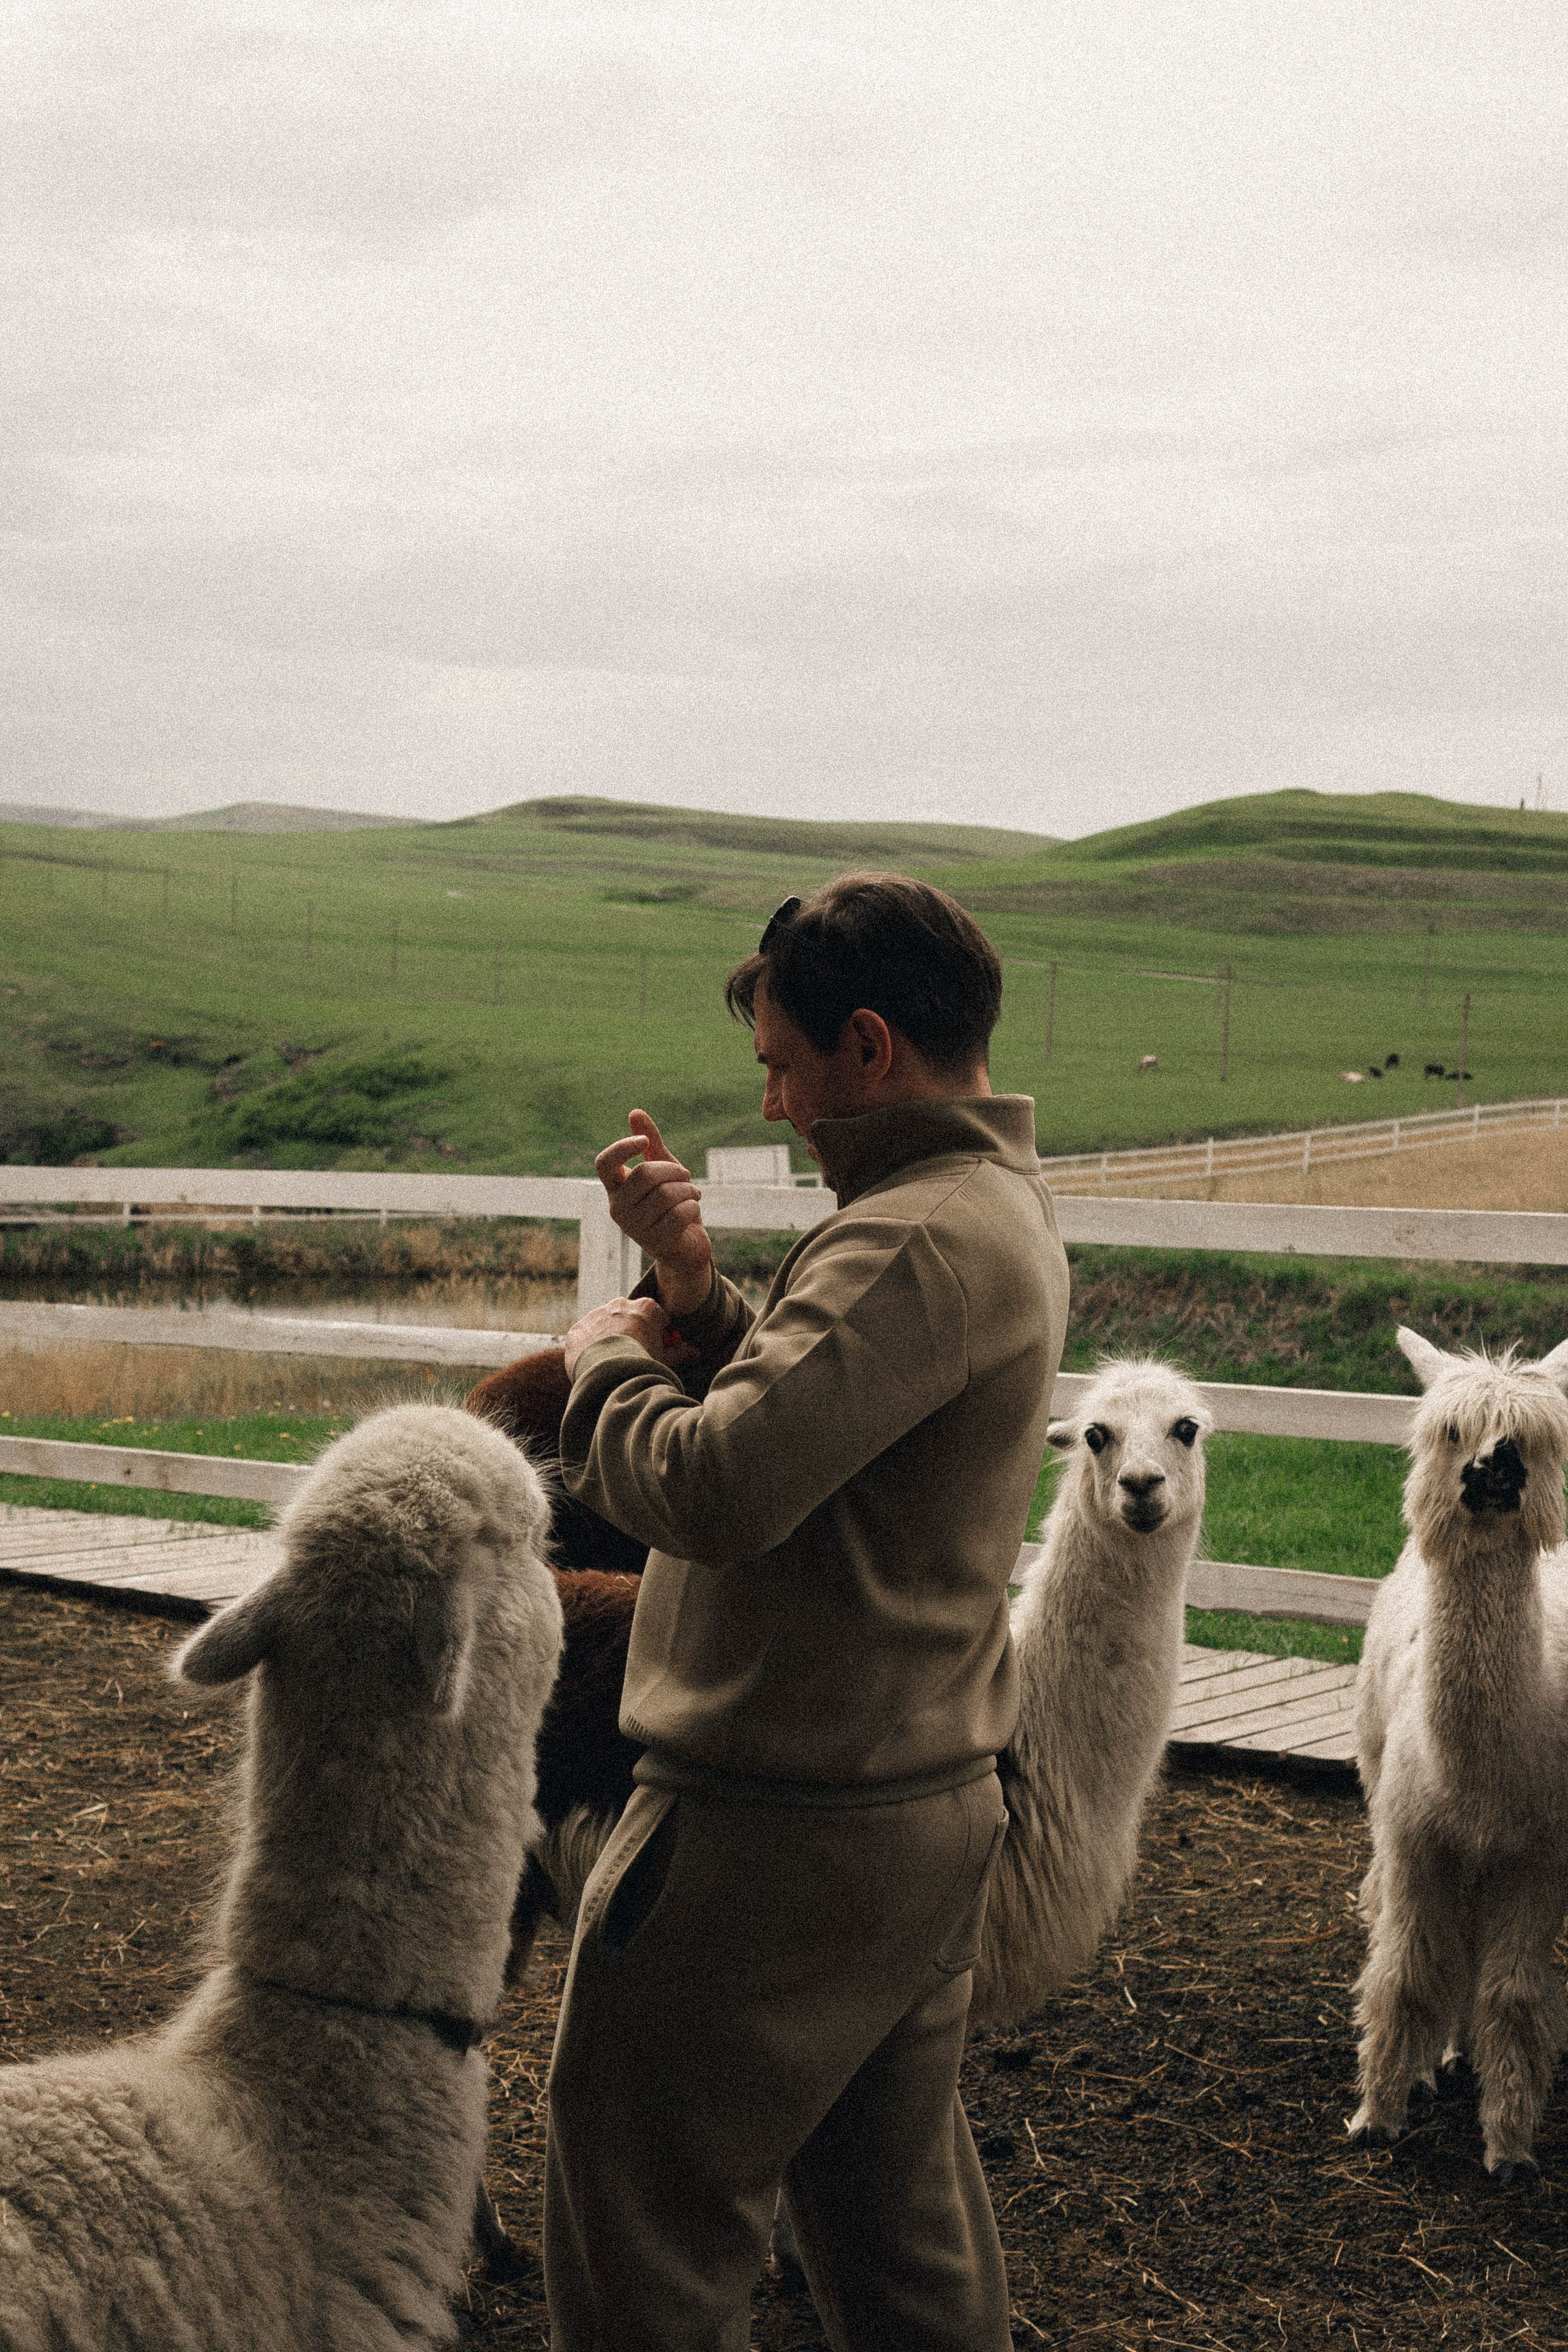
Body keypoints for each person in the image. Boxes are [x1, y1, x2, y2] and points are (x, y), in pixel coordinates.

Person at [545, 872, 1069, 2352]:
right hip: (905, 1813)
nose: (773, 1106)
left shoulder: (901, 1236)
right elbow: (829, 1425)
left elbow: (714, 1490)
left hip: (768, 1832)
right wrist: (695, 1291)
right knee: (898, 2245)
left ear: (867, 1044)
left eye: (780, 1067)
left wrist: (603, 1359)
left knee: (643, 2233)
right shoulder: (982, 1210)